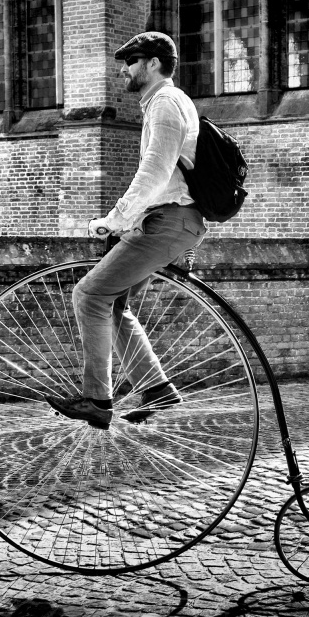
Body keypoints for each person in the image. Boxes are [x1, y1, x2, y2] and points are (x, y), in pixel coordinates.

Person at [45, 31, 205, 430]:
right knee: (113, 301)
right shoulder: (165, 102)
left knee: (89, 294)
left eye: (131, 62)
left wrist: (115, 219)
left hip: (168, 222)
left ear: (153, 63)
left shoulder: (165, 102)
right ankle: (157, 389)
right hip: (166, 222)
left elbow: (155, 173)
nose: (123, 70)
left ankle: (97, 400)